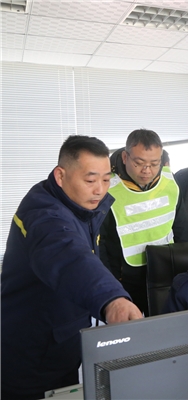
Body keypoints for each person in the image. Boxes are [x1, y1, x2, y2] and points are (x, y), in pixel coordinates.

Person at [1, 136, 142, 400]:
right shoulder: (44, 216)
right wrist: (113, 300)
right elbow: (71, 258)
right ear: (60, 175)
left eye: (106, 179)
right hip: (30, 355)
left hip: (62, 342)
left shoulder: (79, 206)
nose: (100, 190)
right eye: (90, 180)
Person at [99, 129, 188, 316]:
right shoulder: (108, 190)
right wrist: (112, 287)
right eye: (139, 163)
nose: (147, 170)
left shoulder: (169, 182)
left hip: (166, 273)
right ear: (125, 157)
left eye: (154, 164)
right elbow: (104, 244)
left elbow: (182, 230)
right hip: (126, 279)